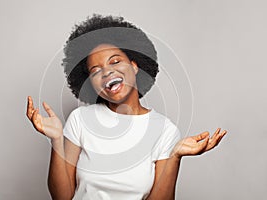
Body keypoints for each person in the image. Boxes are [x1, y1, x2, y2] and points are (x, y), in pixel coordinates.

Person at [26, 14, 227, 200]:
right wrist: (56, 140)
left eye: (115, 61)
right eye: (95, 71)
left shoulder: (165, 131)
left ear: (134, 65)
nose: (106, 72)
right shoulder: (80, 119)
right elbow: (63, 197)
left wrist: (174, 156)